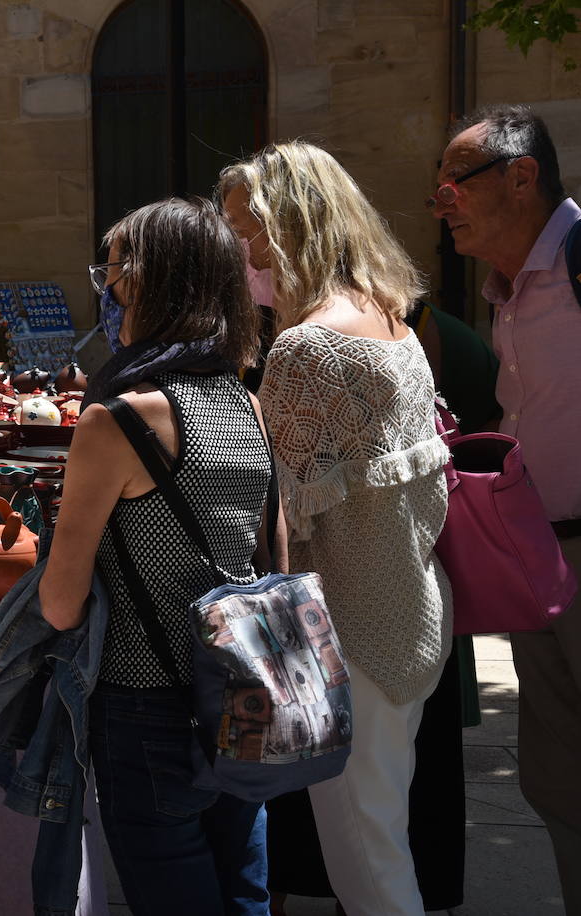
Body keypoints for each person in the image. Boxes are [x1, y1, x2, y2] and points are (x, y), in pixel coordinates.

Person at [219, 141, 450, 916]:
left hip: (352, 631)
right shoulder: (387, 313)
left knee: (370, 867)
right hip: (409, 605)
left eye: (249, 233)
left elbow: (283, 506)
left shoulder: (307, 344)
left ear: (292, 225)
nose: (242, 254)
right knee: (383, 839)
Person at [40, 197, 274, 916]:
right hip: (244, 696)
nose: (106, 292)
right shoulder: (245, 404)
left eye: (111, 275)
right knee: (241, 892)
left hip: (149, 706)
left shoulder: (121, 421)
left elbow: (60, 603)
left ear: (147, 284)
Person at [432, 104, 581, 912]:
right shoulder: (508, 288)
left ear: (521, 176)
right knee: (556, 781)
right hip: (541, 567)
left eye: (457, 182)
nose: (444, 199)